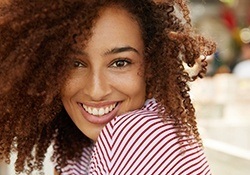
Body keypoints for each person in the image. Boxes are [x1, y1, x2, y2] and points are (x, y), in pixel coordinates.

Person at [0, 0, 216, 174]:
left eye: (120, 62)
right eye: (75, 64)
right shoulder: (78, 145)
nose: (96, 90)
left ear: (151, 65)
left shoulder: (136, 135)